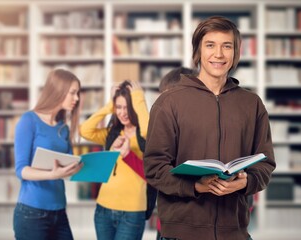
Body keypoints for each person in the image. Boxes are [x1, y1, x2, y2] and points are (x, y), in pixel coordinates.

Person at [144, 16, 276, 240]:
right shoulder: (169, 102)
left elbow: (265, 163)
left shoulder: (252, 103)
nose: (219, 54)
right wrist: (195, 186)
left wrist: (247, 182)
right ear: (198, 51)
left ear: (236, 52)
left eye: (227, 46)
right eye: (210, 45)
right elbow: (154, 168)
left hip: (235, 231)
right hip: (181, 233)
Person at [13, 69, 83, 240]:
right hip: (32, 212)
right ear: (58, 91)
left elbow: (69, 166)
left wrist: (80, 167)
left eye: (78, 93)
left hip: (59, 211)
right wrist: (52, 174)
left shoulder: (63, 128)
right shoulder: (28, 120)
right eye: (73, 93)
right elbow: (21, 170)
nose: (77, 98)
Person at [79, 80, 149, 240]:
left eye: (127, 108)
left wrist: (139, 100)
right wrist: (109, 106)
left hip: (132, 212)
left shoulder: (143, 134)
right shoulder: (112, 133)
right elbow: (85, 130)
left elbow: (149, 131)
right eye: (119, 107)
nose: (123, 113)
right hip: (103, 209)